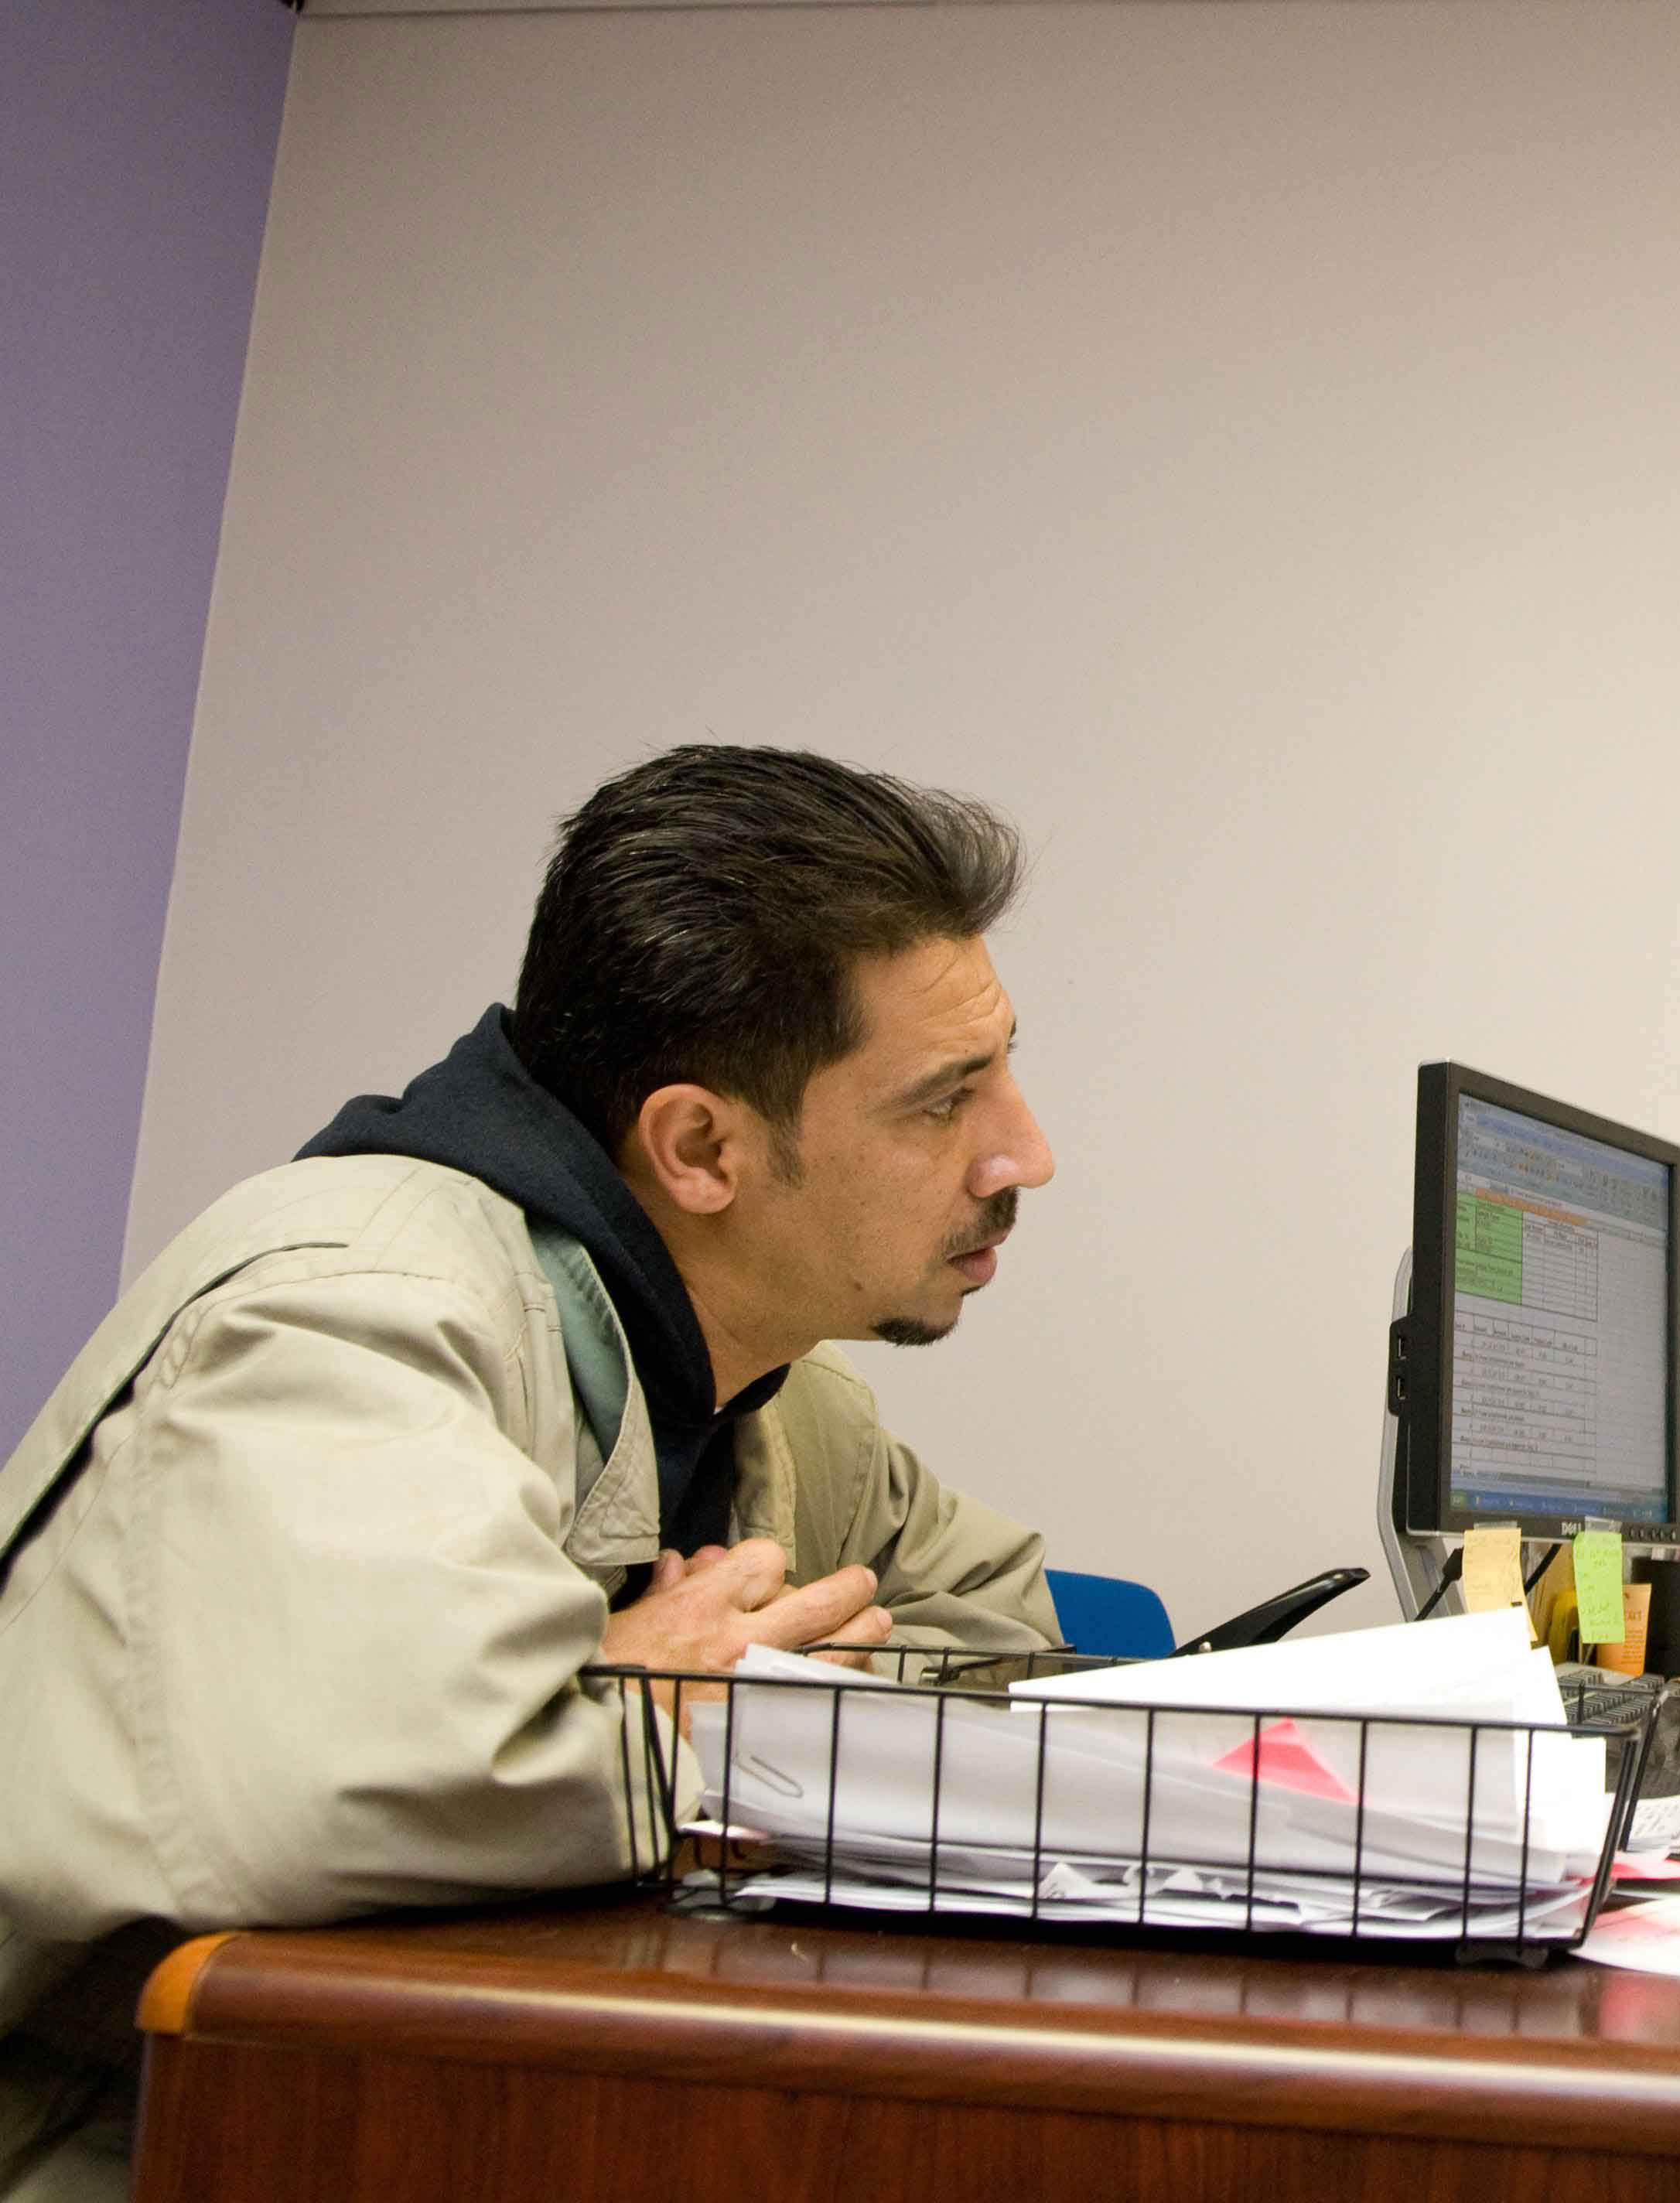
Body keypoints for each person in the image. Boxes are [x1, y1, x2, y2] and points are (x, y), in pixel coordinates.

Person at [0, 746, 1064, 2202]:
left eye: (1005, 1068)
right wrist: (694, 1711)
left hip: (437, 2113)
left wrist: (727, 1691)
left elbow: (1007, 1631)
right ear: (701, 1147)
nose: (1026, 1154)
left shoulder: (777, 1388)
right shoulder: (357, 1302)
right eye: (946, 1099)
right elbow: (376, 1783)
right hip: (130, 2138)